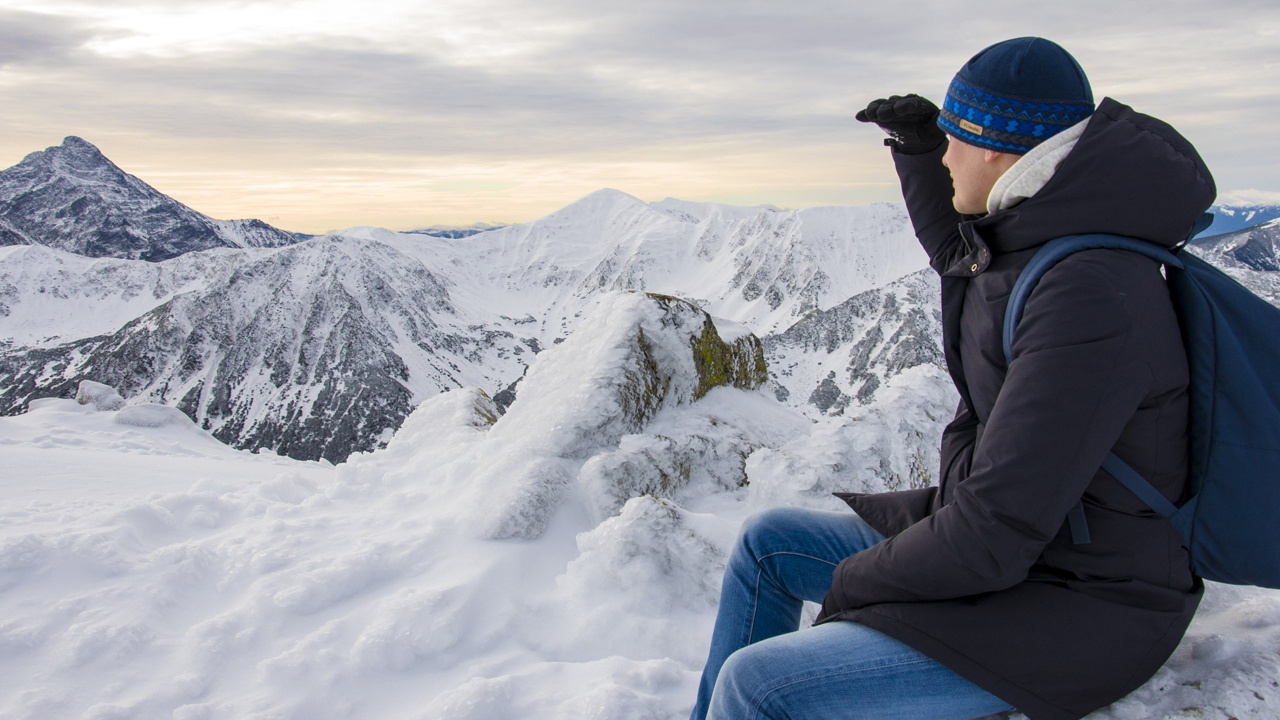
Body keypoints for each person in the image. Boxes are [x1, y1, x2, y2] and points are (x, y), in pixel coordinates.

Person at [689, 37, 1214, 720]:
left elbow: (993, 535)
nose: (944, 154)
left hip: (1083, 603)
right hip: (1026, 554)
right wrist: (913, 151)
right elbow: (959, 255)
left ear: (997, 149)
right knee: (770, 544)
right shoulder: (1047, 233)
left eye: (952, 139)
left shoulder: (1088, 295)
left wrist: (859, 583)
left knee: (762, 685)